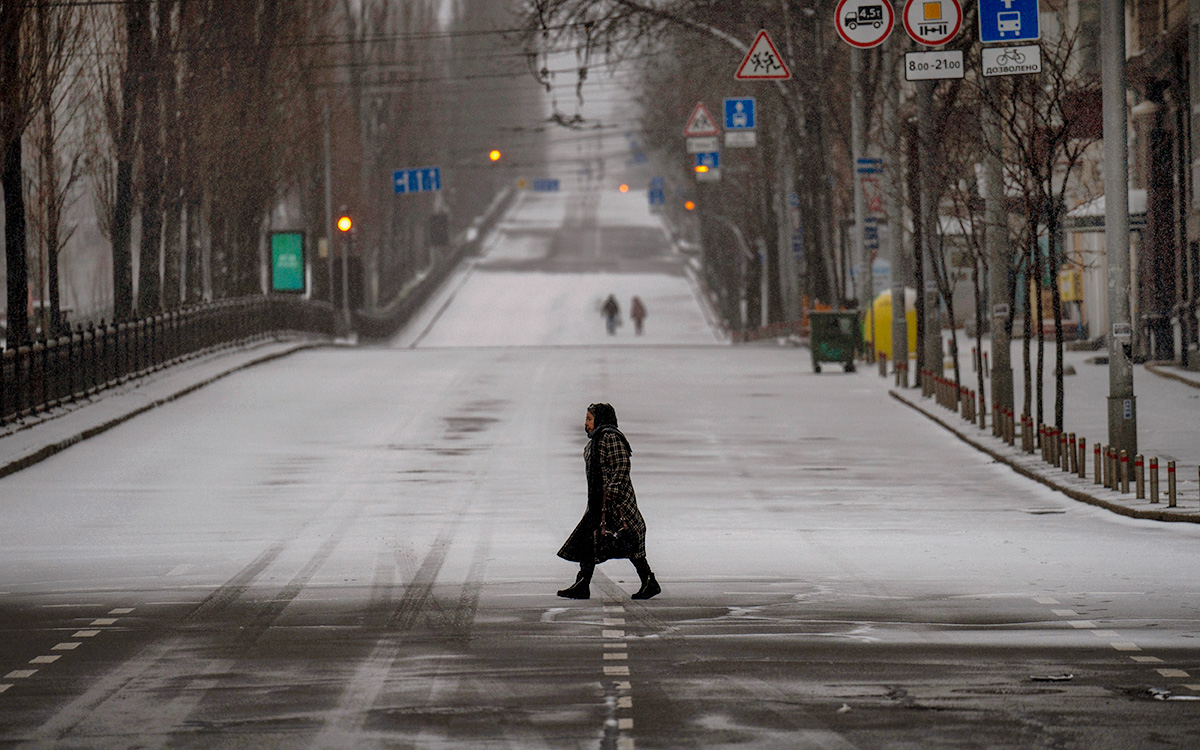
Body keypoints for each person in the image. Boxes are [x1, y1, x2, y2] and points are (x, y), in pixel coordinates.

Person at [557, 403, 660, 600]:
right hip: (599, 503)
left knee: (629, 541)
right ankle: (582, 584)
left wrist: (612, 489)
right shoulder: (596, 441)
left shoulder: (610, 437)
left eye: (589, 418)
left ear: (600, 419)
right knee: (590, 541)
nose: (586, 423)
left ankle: (649, 581)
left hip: (616, 503)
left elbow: (622, 464)